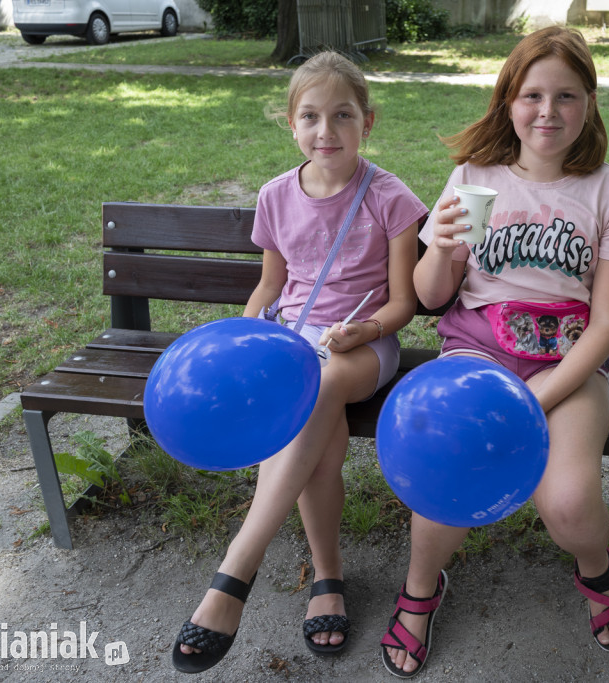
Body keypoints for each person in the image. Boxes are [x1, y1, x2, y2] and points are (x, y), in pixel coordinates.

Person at [380, 27, 609, 678]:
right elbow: (432, 297)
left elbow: (607, 323)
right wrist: (440, 247)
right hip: (477, 349)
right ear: (508, 102)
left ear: (589, 104)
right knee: (446, 469)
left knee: (567, 501)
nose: (548, 111)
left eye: (567, 95)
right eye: (532, 95)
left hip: (568, 363)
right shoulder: (476, 179)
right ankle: (421, 589)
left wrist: (535, 400)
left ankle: (595, 567)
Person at [171, 50, 427, 674]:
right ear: (291, 123)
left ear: (369, 121)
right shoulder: (276, 196)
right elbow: (271, 286)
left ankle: (237, 570)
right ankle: (327, 578)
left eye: (342, 116)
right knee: (319, 443)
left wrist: (364, 329)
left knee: (323, 385)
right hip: (295, 344)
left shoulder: (389, 197)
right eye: (310, 116)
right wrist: (252, 326)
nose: (326, 131)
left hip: (362, 345)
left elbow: (405, 303)